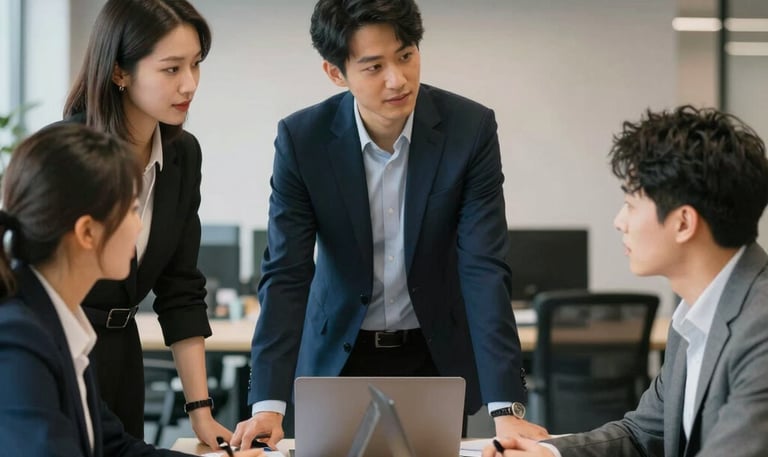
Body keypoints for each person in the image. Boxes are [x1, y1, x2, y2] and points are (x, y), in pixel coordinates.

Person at [233, 0, 548, 449]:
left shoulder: (469, 129)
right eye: (374, 66)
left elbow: (483, 268)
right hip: (335, 356)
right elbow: (286, 272)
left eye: (405, 55)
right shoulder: (303, 140)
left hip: (433, 351)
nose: (397, 79)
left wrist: (507, 408)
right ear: (335, 72)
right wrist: (267, 403)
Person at [484, 105, 768, 457]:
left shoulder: (761, 327)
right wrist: (550, 454)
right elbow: (641, 434)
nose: (620, 221)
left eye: (632, 204)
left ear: (683, 223)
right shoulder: (694, 318)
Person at [0, 124, 264, 457]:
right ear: (87, 233)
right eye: (132, 211)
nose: (140, 227)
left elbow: (117, 448)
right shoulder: (19, 339)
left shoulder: (57, 324)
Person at [61, 0, 229, 447]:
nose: (189, 84)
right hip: (66, 355)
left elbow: (181, 288)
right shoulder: (69, 154)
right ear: (120, 72)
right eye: (171, 69)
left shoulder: (182, 156)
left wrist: (200, 412)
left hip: (124, 354)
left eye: (195, 65)